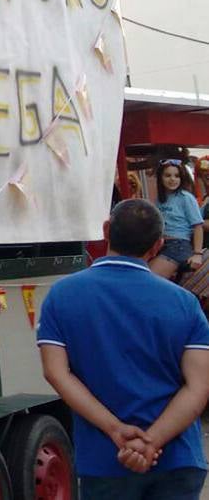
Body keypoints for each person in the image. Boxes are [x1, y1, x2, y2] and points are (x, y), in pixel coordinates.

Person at [38, 199, 209, 496]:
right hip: (178, 457)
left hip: (105, 460)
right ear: (158, 245)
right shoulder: (184, 303)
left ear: (106, 230)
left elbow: (56, 373)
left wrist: (115, 429)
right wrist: (152, 440)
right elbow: (198, 387)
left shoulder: (62, 296)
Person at [149, 159, 203, 280]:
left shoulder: (186, 197)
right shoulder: (160, 199)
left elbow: (198, 226)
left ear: (182, 178)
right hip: (160, 244)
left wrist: (197, 254)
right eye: (168, 175)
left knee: (150, 278)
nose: (172, 179)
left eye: (177, 176)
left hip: (178, 245)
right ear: (161, 178)